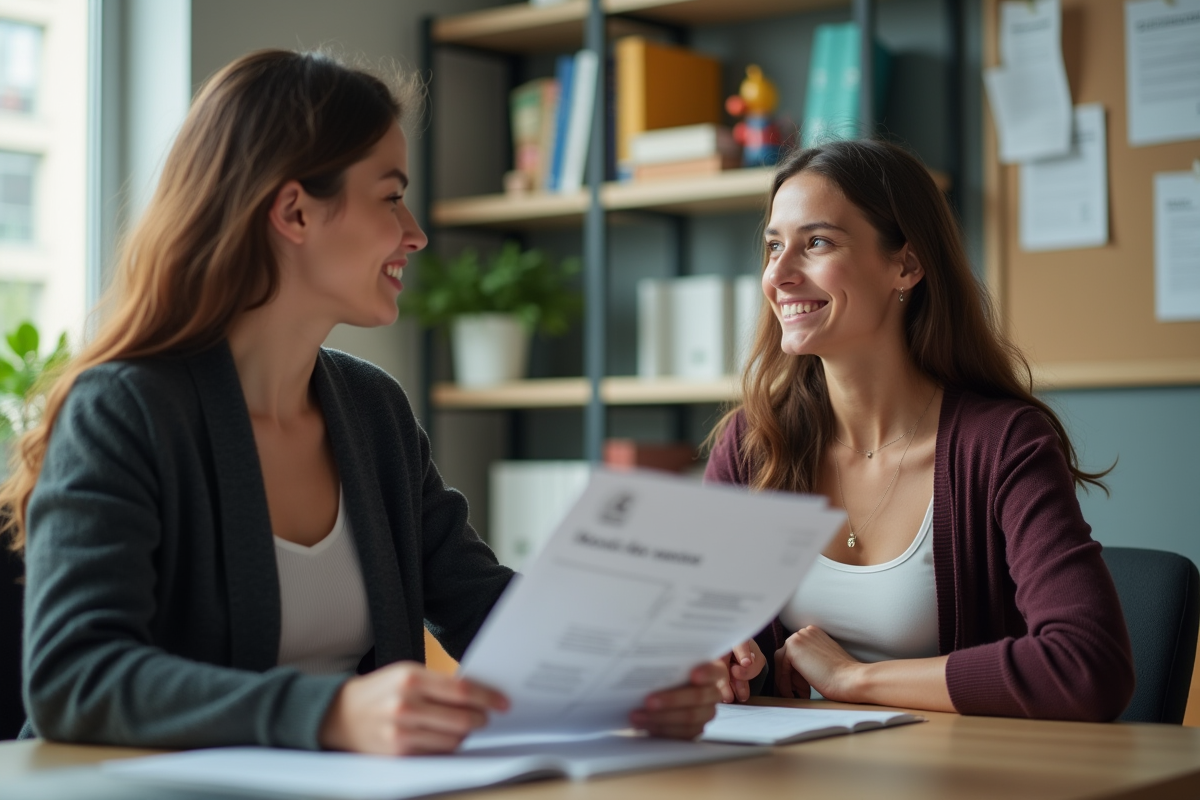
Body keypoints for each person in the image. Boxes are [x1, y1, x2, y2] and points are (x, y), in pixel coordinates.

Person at [3, 50, 726, 754]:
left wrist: (628, 675)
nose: (415, 233)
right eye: (390, 196)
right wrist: (332, 713)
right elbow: (74, 676)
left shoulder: (372, 409)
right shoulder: (124, 411)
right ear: (294, 212)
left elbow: (481, 603)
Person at [705, 139, 1135, 721]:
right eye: (774, 245)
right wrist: (708, 662)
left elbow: (1089, 668)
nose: (778, 274)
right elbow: (693, 637)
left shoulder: (1004, 445)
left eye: (817, 243)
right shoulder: (753, 447)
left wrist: (854, 679)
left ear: (905, 265)